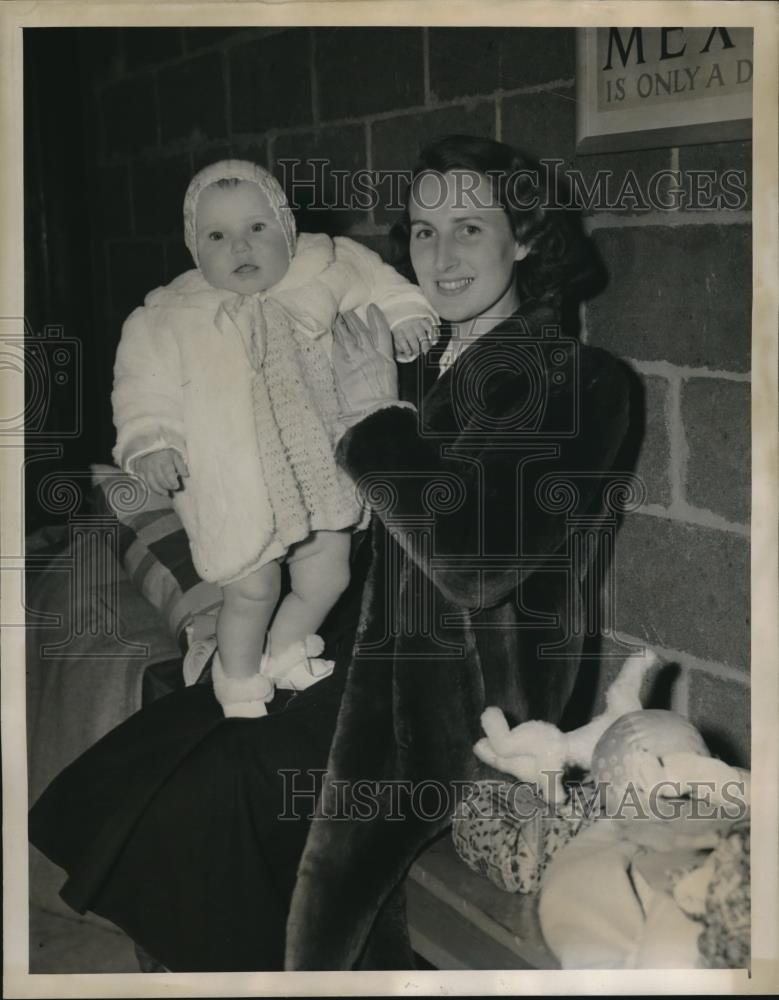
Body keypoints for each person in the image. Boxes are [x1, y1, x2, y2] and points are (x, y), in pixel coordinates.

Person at [29, 136, 631, 972]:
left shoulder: (579, 379)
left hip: (465, 689)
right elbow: (309, 496)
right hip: (360, 644)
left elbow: (476, 564)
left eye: (468, 227)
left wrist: (371, 420)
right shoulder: (408, 352)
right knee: (146, 752)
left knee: (227, 786)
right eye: (422, 231)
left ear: (523, 238)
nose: (441, 256)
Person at [113, 159, 436, 716]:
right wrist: (152, 442)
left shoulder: (324, 265)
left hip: (315, 469)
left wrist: (404, 314)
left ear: (287, 228)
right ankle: (234, 678)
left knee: (330, 573)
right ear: (195, 248)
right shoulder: (170, 315)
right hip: (238, 481)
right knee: (253, 588)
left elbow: (379, 285)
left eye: (256, 228)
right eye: (217, 236)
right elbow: (143, 388)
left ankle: (286, 651)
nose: (240, 247)